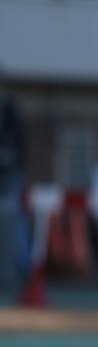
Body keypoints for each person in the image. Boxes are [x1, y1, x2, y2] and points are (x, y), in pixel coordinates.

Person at [0, 67, 27, 301]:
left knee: (9, 218)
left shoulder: (10, 111)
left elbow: (19, 147)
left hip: (8, 179)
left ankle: (10, 274)